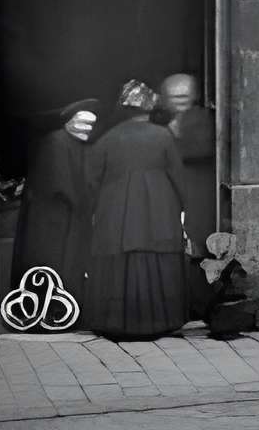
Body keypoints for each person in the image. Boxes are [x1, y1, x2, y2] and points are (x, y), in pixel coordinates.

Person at [83, 80, 189, 340]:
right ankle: (161, 321)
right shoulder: (164, 136)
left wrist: (94, 210)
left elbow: (90, 181)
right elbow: (179, 177)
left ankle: (113, 322)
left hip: (115, 214)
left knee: (117, 264)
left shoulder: (106, 140)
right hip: (159, 212)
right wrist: (185, 208)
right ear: (149, 109)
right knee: (157, 261)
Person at [9, 102, 98, 309]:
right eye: (83, 122)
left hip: (65, 216)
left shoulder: (76, 144)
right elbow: (60, 183)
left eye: (91, 124)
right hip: (52, 219)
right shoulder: (56, 142)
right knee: (52, 262)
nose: (87, 128)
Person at [156, 74, 217, 249]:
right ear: (163, 98)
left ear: (196, 95)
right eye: (173, 93)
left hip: (198, 189)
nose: (180, 96)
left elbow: (204, 149)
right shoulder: (157, 123)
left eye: (185, 92)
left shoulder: (206, 118)